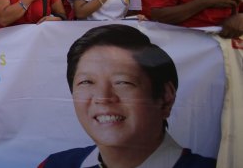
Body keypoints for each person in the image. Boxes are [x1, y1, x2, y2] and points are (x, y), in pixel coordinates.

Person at [38, 24, 216, 168]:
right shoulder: (54, 165)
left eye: (122, 82)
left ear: (165, 96)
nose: (103, 97)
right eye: (86, 82)